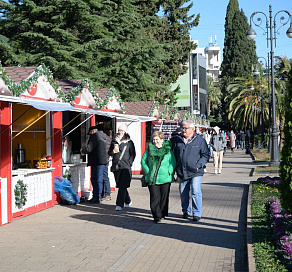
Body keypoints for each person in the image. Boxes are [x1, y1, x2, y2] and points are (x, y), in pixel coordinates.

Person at [171, 120, 209, 221]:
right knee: (183, 192)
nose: (183, 130)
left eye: (185, 128)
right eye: (182, 128)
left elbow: (205, 155)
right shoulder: (177, 140)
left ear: (192, 129)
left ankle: (197, 213)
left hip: (196, 171)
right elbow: (172, 155)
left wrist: (199, 165)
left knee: (195, 191)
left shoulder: (200, 140)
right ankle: (186, 211)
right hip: (181, 171)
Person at [141, 131, 176, 223]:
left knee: (164, 197)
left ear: (162, 139)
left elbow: (172, 162)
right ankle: (156, 215)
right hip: (153, 178)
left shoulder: (168, 149)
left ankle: (163, 213)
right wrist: (148, 171)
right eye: (154, 139)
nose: (155, 141)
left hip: (165, 177)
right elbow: (143, 161)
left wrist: (170, 171)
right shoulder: (149, 149)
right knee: (155, 197)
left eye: (157, 139)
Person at [108, 123, 136, 211]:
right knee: (121, 185)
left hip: (125, 166)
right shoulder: (114, 141)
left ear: (125, 132)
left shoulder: (129, 142)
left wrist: (130, 162)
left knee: (122, 185)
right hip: (116, 166)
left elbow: (133, 154)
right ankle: (127, 200)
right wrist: (113, 151)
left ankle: (119, 204)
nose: (120, 132)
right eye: (119, 130)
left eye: (122, 131)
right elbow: (109, 153)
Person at [81, 125, 107, 204]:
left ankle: (96, 197)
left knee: (95, 179)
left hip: (96, 161)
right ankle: (97, 196)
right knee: (98, 179)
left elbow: (89, 148)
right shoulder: (103, 136)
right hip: (101, 161)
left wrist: (83, 150)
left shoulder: (95, 136)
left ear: (92, 131)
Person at [96, 124, 112, 201]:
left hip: (101, 159)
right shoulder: (108, 138)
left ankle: (105, 193)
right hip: (107, 159)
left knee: (101, 176)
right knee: (105, 176)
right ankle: (107, 193)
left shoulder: (99, 137)